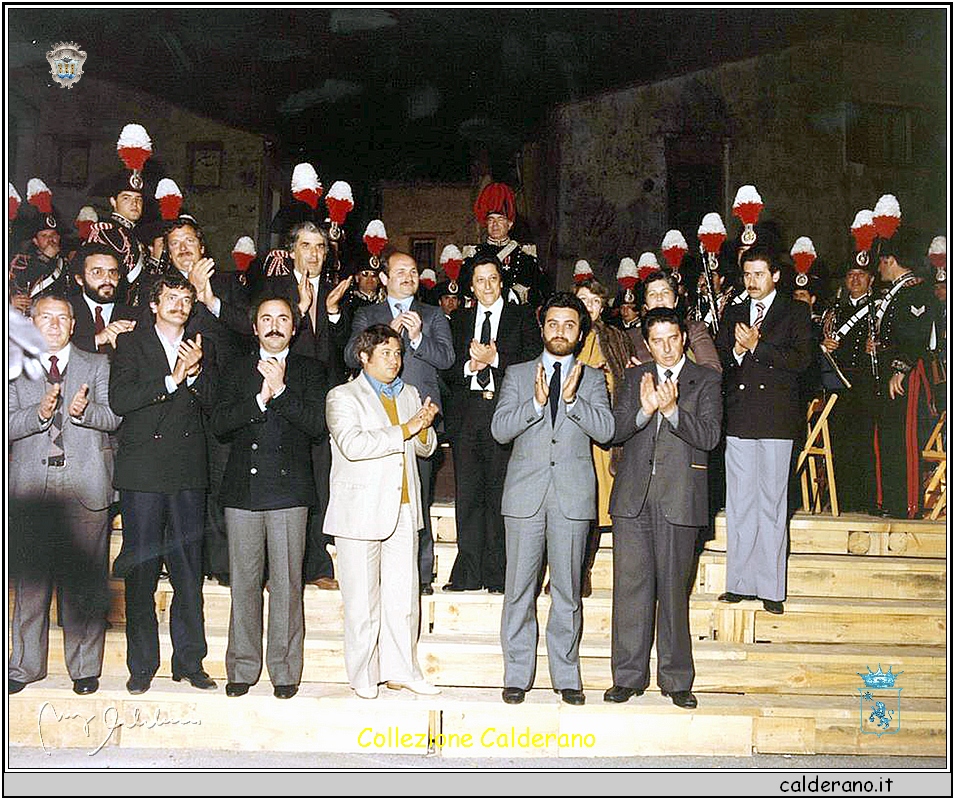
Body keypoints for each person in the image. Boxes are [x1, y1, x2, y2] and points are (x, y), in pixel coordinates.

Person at [491, 293, 613, 705]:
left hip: (573, 498)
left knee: (567, 591)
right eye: (554, 324)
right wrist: (537, 403)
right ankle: (517, 675)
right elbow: (500, 429)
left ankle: (567, 676)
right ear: (542, 328)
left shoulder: (593, 377)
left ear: (581, 333)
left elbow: (607, 430)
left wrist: (573, 401)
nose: (560, 332)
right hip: (525, 496)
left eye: (570, 325)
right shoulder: (518, 373)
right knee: (519, 590)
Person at [604, 307, 722, 709]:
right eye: (658, 341)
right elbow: (615, 429)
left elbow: (709, 436)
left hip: (680, 499)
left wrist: (672, 411)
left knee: (674, 592)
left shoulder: (705, 379)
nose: (666, 348)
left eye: (673, 338)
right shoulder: (636, 377)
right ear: (648, 343)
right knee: (630, 591)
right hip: (633, 499)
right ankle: (627, 676)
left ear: (684, 338)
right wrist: (645, 409)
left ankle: (676, 680)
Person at [212, 294, 327, 699]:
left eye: (283, 319)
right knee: (243, 583)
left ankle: (284, 670)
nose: (275, 325)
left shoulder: (311, 371)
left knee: (287, 585)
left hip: (290, 491)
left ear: (294, 329)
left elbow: (316, 426)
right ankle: (242, 667)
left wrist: (280, 392)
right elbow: (221, 424)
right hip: (243, 490)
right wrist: (259, 399)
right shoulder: (234, 368)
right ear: (255, 327)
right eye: (266, 318)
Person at [109, 272, 218, 694]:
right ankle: (142, 665)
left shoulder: (200, 346)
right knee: (142, 569)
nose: (179, 304)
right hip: (143, 473)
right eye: (171, 297)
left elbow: (213, 402)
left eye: (186, 298)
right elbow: (121, 400)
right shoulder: (131, 344)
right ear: (154, 305)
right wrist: (173, 378)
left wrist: (193, 377)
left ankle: (190, 661)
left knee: (189, 570)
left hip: (188, 470)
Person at [8, 295, 121, 696]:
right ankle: (24, 666)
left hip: (85, 484)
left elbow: (114, 416)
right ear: (31, 323)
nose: (54, 325)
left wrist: (84, 412)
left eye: (62, 318)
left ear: (74, 325)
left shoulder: (99, 365)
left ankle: (85, 669)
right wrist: (38, 415)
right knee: (30, 588)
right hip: (31, 489)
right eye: (45, 317)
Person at [324, 323, 439, 699]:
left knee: (403, 599)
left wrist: (424, 428)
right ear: (364, 356)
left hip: (404, 508)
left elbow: (425, 448)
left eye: (398, 353)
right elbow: (353, 445)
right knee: (362, 601)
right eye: (386, 353)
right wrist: (408, 428)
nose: (395, 360)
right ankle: (362, 674)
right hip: (359, 511)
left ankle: (401, 670)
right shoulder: (342, 396)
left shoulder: (409, 393)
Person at [343, 251, 454, 595]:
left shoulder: (433, 315)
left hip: (417, 417)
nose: (408, 275)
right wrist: (386, 334)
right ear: (385, 278)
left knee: (416, 497)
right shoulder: (367, 314)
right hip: (374, 419)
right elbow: (349, 355)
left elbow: (447, 359)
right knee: (379, 494)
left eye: (413, 271)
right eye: (400, 271)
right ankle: (375, 572)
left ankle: (419, 575)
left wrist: (419, 338)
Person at [715, 246, 813, 615]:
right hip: (740, 418)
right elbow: (723, 357)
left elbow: (802, 361)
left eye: (759, 274)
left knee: (771, 505)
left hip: (775, 420)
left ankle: (771, 587)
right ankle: (739, 583)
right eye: (747, 274)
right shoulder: (735, 311)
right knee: (740, 504)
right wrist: (739, 353)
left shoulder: (796, 311)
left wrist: (758, 346)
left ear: (775, 276)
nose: (752, 281)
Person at [442, 256, 541, 593]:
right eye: (480, 280)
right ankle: (468, 572)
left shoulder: (522, 317)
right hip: (467, 414)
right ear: (471, 286)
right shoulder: (458, 320)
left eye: (493, 279)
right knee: (468, 495)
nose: (486, 286)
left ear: (502, 283)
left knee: (500, 493)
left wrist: (494, 360)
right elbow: (447, 367)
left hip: (504, 414)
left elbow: (531, 362)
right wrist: (471, 366)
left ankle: (499, 572)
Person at [263, 220, 352, 590]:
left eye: (319, 247)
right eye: (306, 246)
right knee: (281, 482)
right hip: (284, 396)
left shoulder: (336, 292)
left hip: (322, 401)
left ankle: (316, 565)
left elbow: (346, 351)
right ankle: (275, 571)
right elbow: (270, 337)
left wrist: (332, 314)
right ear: (292, 251)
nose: (313, 254)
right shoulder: (273, 290)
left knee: (319, 483)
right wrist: (298, 310)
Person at [572, 278, 637, 596]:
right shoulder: (565, 332)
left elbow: (627, 380)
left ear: (603, 306)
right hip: (569, 432)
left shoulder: (616, 338)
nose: (588, 307)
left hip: (603, 434)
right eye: (582, 299)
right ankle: (563, 572)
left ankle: (584, 570)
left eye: (595, 302)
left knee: (597, 505)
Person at [871, 236, 938, 519]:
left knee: (904, 436)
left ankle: (907, 505)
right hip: (888, 370)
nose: (878, 270)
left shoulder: (916, 290)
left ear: (890, 260)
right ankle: (890, 501)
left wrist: (900, 368)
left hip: (906, 373)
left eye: (881, 263)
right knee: (888, 436)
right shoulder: (896, 292)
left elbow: (916, 336)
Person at [820, 261, 879, 513]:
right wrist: (825, 344)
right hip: (840, 386)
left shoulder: (879, 309)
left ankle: (865, 499)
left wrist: (877, 347)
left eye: (861, 275)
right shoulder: (835, 311)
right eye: (851, 274)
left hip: (865, 386)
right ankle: (840, 498)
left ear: (871, 279)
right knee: (839, 442)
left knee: (864, 442)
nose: (855, 280)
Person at [463, 182, 550, 307]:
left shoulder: (524, 254)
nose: (495, 225)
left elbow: (537, 291)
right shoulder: (474, 254)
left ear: (509, 224)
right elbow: (465, 289)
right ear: (486, 224)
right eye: (491, 220)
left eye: (500, 219)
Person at [633, 269, 721, 373]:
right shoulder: (631, 337)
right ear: (645, 305)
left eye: (665, 292)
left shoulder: (694, 329)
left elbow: (712, 370)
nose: (659, 298)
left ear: (676, 301)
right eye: (652, 294)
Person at [69, 242, 138, 358]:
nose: (107, 279)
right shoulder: (66, 310)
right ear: (80, 279)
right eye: (97, 272)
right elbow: (52, 349)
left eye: (113, 272)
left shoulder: (135, 316)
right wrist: (97, 340)